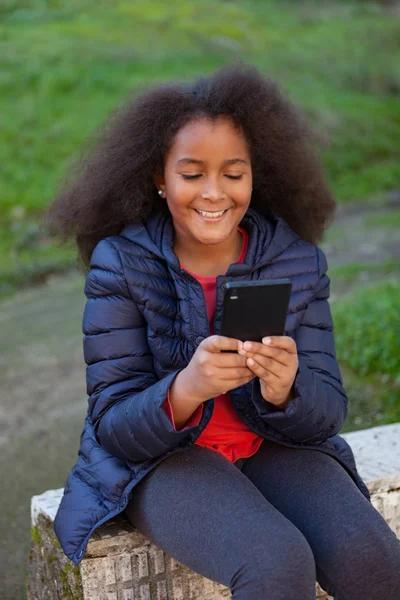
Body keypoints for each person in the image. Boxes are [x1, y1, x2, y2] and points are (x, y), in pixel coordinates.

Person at [45, 63, 400, 599]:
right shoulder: (119, 263)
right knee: (275, 561)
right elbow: (114, 425)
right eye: (192, 174)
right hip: (162, 461)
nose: (214, 193)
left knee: (376, 561)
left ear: (258, 175)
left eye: (233, 174)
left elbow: (327, 410)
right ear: (159, 179)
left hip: (274, 444)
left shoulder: (297, 261)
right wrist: (186, 389)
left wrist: (286, 392)